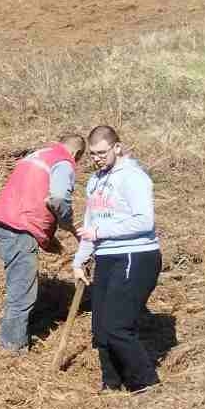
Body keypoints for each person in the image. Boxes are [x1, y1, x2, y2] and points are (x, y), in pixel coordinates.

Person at [71, 125, 161, 392]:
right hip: (106, 256)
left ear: (117, 147)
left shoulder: (134, 177)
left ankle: (146, 384)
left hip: (135, 254)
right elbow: (91, 223)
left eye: (102, 152)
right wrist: (79, 260)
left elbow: (144, 221)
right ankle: (111, 384)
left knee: (117, 327)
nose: (97, 158)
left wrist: (101, 232)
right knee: (100, 329)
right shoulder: (95, 181)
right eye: (93, 154)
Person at [0, 133, 86, 351]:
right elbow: (57, 199)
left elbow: (30, 197)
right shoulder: (64, 162)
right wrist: (70, 227)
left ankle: (10, 339)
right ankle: (13, 349)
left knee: (18, 285)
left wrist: (46, 238)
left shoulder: (39, 155)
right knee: (22, 292)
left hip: (3, 222)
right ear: (76, 154)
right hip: (19, 228)